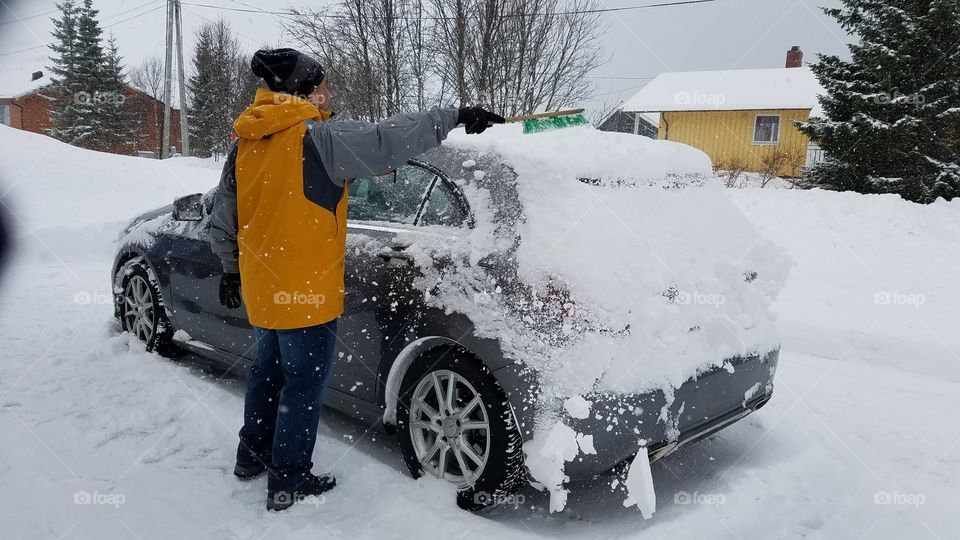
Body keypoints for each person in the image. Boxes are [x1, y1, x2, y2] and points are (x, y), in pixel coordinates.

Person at [209, 47, 504, 512]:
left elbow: (223, 214)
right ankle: (289, 480)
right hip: (305, 292)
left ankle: (252, 457)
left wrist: (229, 268)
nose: (327, 93)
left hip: (265, 288)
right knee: (302, 387)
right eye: (321, 84)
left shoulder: (244, 142)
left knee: (266, 374)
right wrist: (455, 115)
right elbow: (388, 138)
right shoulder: (317, 138)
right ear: (304, 89)